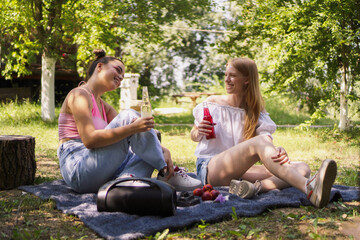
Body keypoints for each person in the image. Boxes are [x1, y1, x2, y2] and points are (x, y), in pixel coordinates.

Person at [191, 57, 337, 208]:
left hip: (239, 173)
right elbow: (194, 135)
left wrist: (275, 151)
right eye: (226, 75)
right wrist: (198, 131)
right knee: (261, 144)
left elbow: (265, 140)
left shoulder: (256, 109)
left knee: (302, 168)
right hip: (210, 168)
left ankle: (254, 188)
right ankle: (309, 189)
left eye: (232, 75)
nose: (227, 79)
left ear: (247, 80)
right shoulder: (213, 102)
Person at [57, 49, 201, 193]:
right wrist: (134, 128)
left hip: (98, 171)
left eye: (122, 76)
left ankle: (124, 183)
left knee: (146, 148)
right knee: (130, 117)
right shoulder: (79, 95)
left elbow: (136, 136)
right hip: (78, 170)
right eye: (118, 70)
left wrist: (163, 150)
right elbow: (89, 140)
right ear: (99, 67)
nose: (120, 77)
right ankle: (166, 173)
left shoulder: (103, 106)